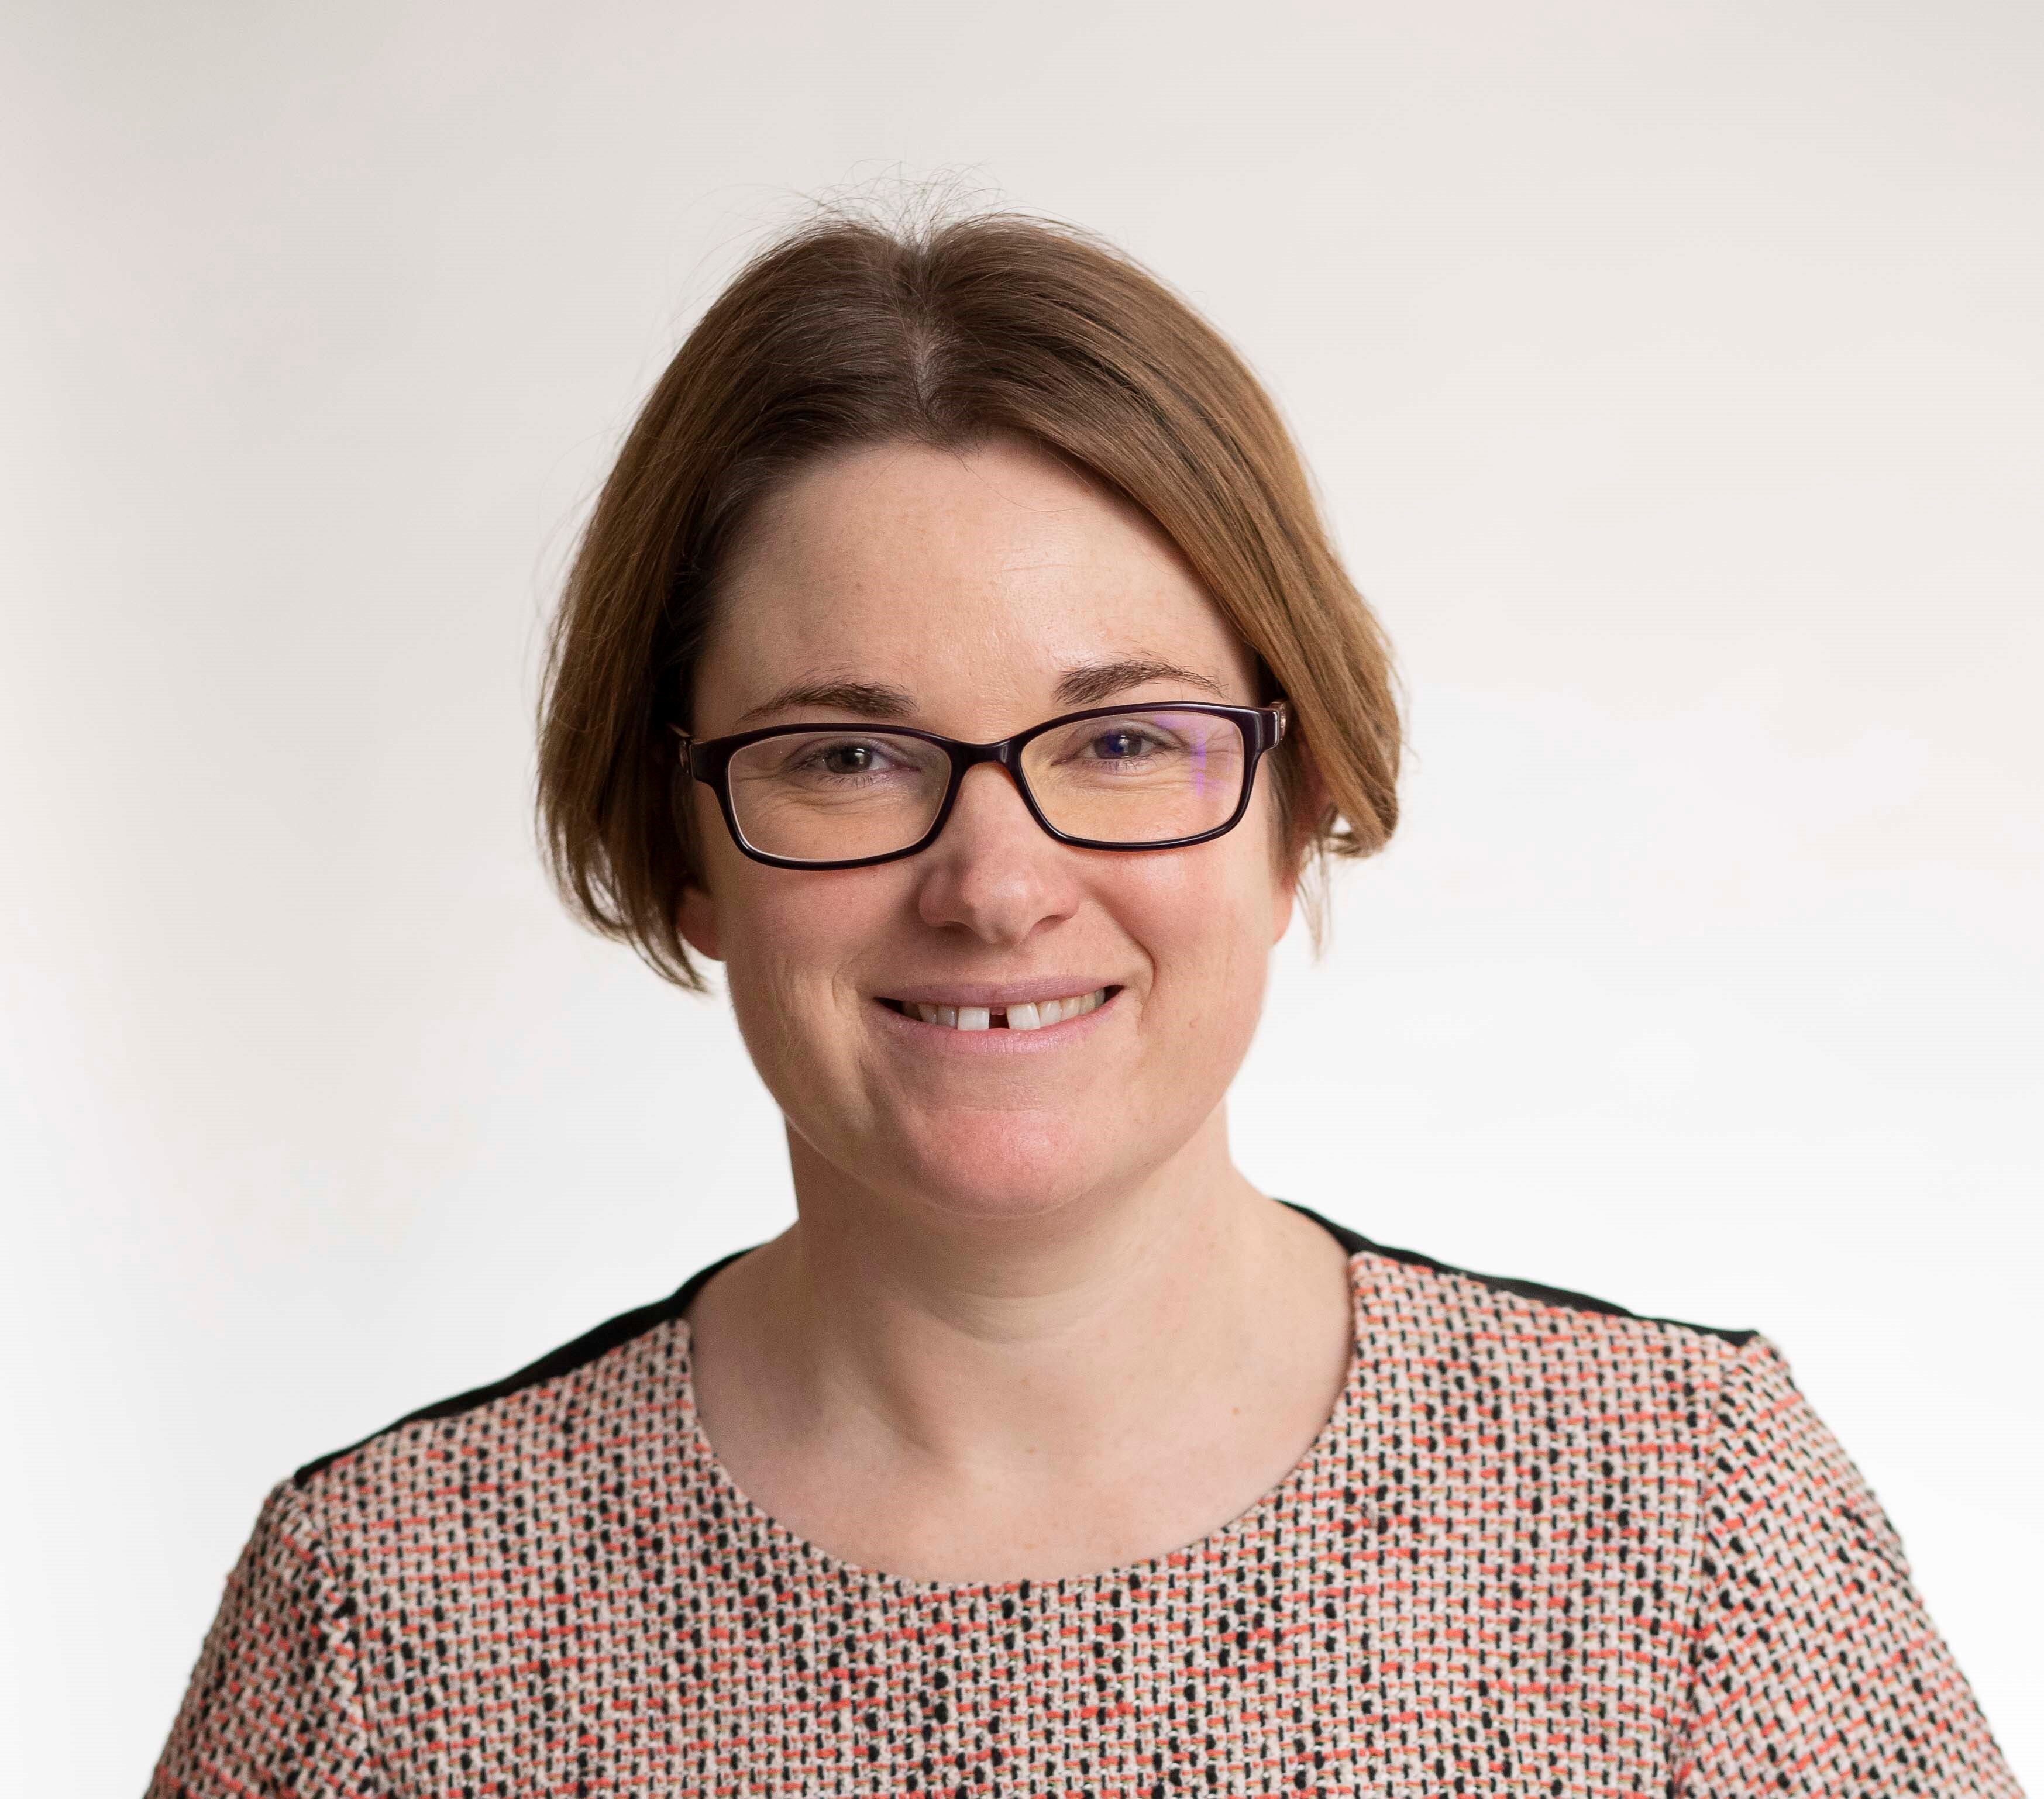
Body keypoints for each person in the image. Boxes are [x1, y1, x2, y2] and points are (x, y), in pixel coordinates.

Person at [150, 210, 2021, 1798]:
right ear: (686, 841)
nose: (995, 879)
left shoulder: (1683, 1521)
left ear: (1301, 806)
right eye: (849, 753)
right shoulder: (381, 1623)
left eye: (1124, 737)